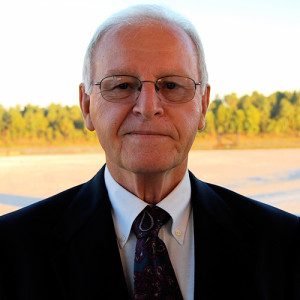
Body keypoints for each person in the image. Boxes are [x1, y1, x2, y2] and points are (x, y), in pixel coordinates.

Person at [0, 4, 299, 300]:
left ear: (203, 105)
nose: (147, 107)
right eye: (121, 86)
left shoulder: (284, 245)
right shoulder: (12, 249)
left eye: (171, 85)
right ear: (87, 105)